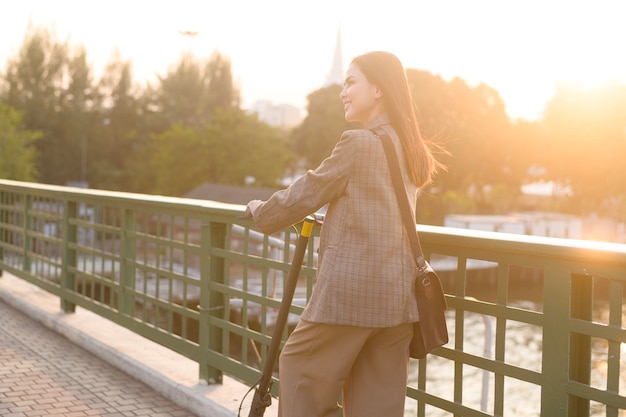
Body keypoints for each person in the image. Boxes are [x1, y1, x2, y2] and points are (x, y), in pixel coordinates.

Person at [245, 51, 443, 417]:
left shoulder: (358, 143)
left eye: (351, 82)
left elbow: (308, 191)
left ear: (379, 89)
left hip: (350, 294)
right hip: (398, 298)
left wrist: (261, 211)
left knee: (299, 369)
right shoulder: (410, 147)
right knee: (377, 404)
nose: (343, 92)